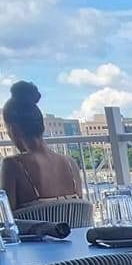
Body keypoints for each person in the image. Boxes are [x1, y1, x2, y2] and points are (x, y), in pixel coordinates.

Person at [1, 81, 83, 211]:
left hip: (33, 226)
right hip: (75, 225)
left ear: (14, 129)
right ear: (41, 126)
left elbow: (5, 216)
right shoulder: (71, 164)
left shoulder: (12, 165)